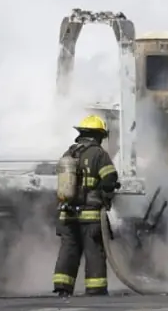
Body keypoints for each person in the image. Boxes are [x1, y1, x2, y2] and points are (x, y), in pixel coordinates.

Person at [52, 115, 119, 297]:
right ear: (98, 135)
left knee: (69, 250)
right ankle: (95, 288)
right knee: (94, 251)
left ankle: (62, 287)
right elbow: (110, 179)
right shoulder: (98, 154)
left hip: (67, 214)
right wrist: (107, 194)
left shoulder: (68, 154)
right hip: (91, 215)